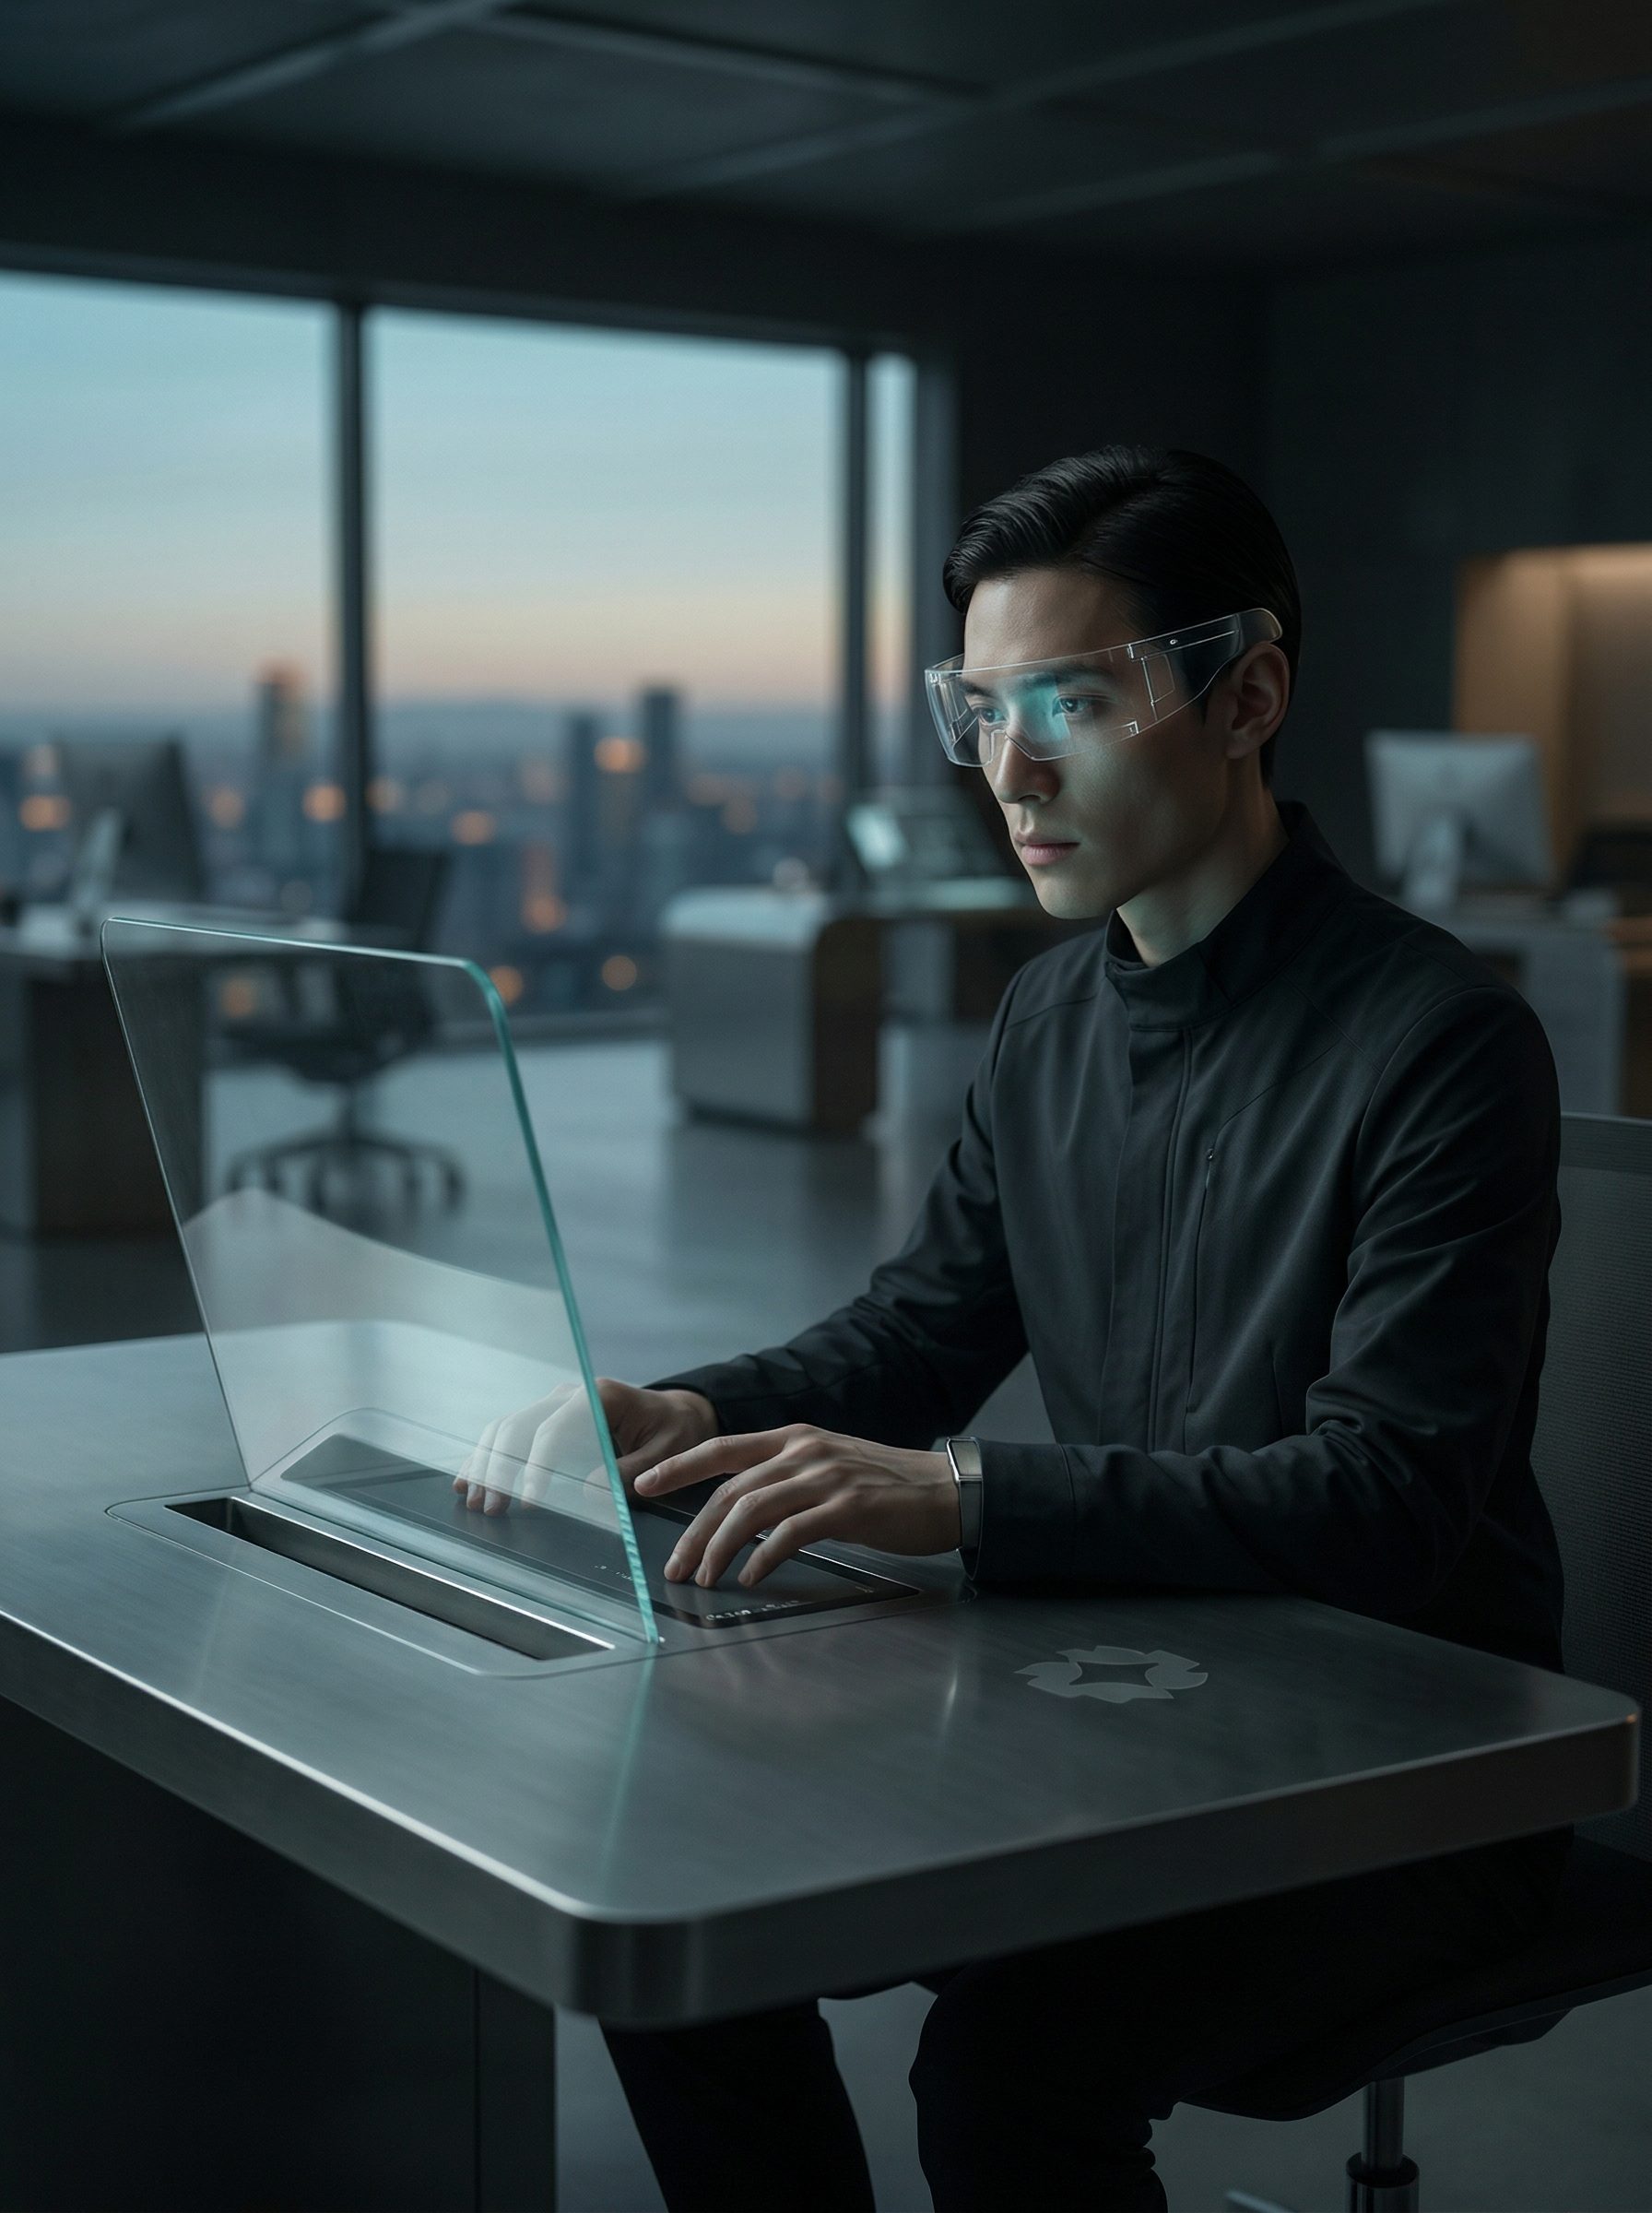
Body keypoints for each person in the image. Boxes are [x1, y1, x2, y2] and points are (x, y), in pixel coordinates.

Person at [472, 446, 1573, 2211]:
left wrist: (967, 1496)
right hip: (1131, 1695)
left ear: (1249, 696)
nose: (1010, 768)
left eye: (1071, 699)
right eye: (980, 709)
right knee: (672, 1923)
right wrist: (669, 1411)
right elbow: (917, 1330)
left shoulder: (1438, 1042)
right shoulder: (1053, 1013)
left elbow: (1386, 1500)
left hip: (1399, 1759)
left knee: (1012, 2063)